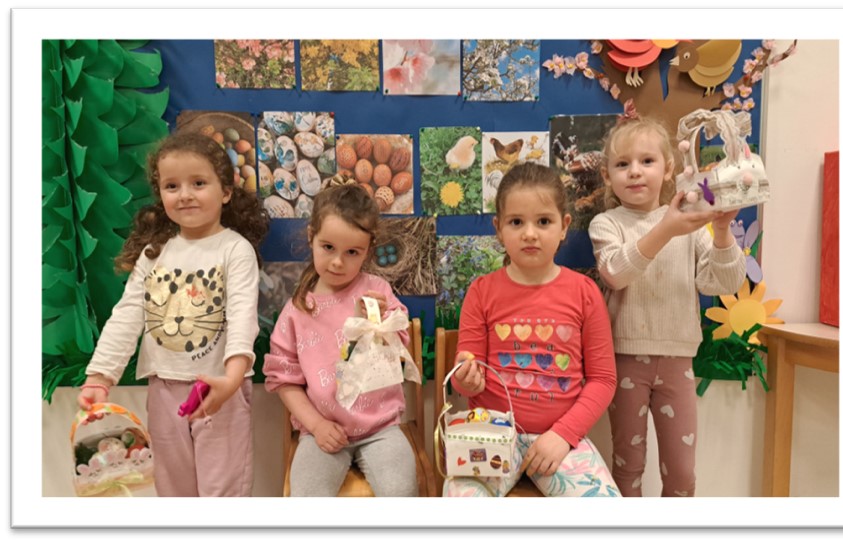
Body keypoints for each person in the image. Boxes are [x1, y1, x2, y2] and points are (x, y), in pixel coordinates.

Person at [77, 131, 270, 497]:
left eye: (198, 183)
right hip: (163, 390)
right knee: (174, 494)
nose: (184, 194)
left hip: (219, 389)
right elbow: (127, 315)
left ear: (225, 191)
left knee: (222, 497)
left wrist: (231, 380)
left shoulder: (235, 250)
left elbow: (243, 318)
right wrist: (99, 378)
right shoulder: (154, 253)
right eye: (171, 186)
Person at [588, 113, 746, 497]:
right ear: (607, 176)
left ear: (669, 168)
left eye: (647, 161)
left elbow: (723, 283)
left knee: (682, 473)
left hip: (678, 361)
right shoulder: (606, 224)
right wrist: (665, 229)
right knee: (627, 467)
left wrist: (721, 231)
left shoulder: (691, 224)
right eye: (622, 164)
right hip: (625, 359)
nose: (635, 171)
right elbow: (615, 273)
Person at [447, 162, 620, 497]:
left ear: (563, 226)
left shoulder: (584, 293)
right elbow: (464, 374)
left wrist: (563, 435)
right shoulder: (481, 292)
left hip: (561, 440)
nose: (529, 233)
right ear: (498, 229)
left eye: (543, 221)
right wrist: (465, 379)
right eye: (516, 222)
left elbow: (603, 380)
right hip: (491, 434)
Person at [263, 184, 418, 497]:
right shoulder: (297, 309)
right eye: (328, 247)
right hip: (321, 430)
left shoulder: (377, 291)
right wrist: (316, 426)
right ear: (311, 237)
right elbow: (284, 381)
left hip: (381, 428)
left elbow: (400, 352)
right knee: (307, 497)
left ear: (368, 250)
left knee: (401, 491)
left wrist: (375, 321)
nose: (337, 262)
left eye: (352, 253)